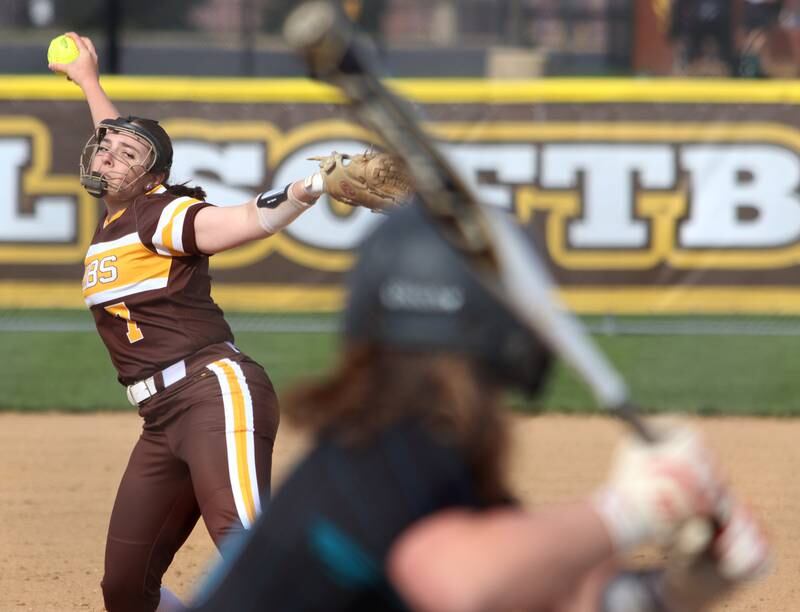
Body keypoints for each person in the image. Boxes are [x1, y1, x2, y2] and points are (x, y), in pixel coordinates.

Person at [187, 203, 770, 611]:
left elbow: (544, 595)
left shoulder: (401, 457)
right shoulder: (392, 453)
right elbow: (456, 582)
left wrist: (681, 591)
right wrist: (628, 512)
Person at [47, 32, 336, 612]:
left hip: (213, 394)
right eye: (106, 149)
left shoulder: (161, 212)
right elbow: (118, 140)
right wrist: (89, 83)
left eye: (128, 156)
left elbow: (244, 222)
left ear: (150, 178)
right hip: (159, 418)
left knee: (250, 553)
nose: (109, 156)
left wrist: (312, 187)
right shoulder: (121, 212)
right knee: (126, 591)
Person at [669, 0, 736, 76]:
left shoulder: (724, 6)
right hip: (693, 51)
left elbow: (728, 33)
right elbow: (677, 33)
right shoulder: (686, 7)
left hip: (720, 51)